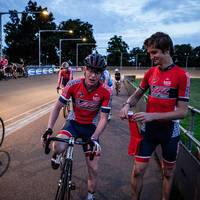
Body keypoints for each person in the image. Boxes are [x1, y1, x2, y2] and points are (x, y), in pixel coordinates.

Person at [120, 32, 190, 200]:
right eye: (150, 53)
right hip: (149, 130)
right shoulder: (151, 72)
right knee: (137, 171)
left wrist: (152, 116)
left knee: (168, 173)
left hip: (169, 132)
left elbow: (182, 112)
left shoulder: (182, 75)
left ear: (166, 50)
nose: (151, 57)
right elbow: (137, 94)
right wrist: (127, 104)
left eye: (154, 52)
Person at [42, 53, 111, 200]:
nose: (93, 75)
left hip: (91, 128)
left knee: (93, 168)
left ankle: (90, 196)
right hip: (73, 122)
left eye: (97, 72)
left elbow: (104, 119)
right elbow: (57, 107)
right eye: (90, 71)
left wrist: (94, 138)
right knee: (58, 146)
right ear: (85, 69)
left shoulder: (106, 91)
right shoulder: (73, 85)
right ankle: (57, 155)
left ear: (102, 73)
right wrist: (49, 128)